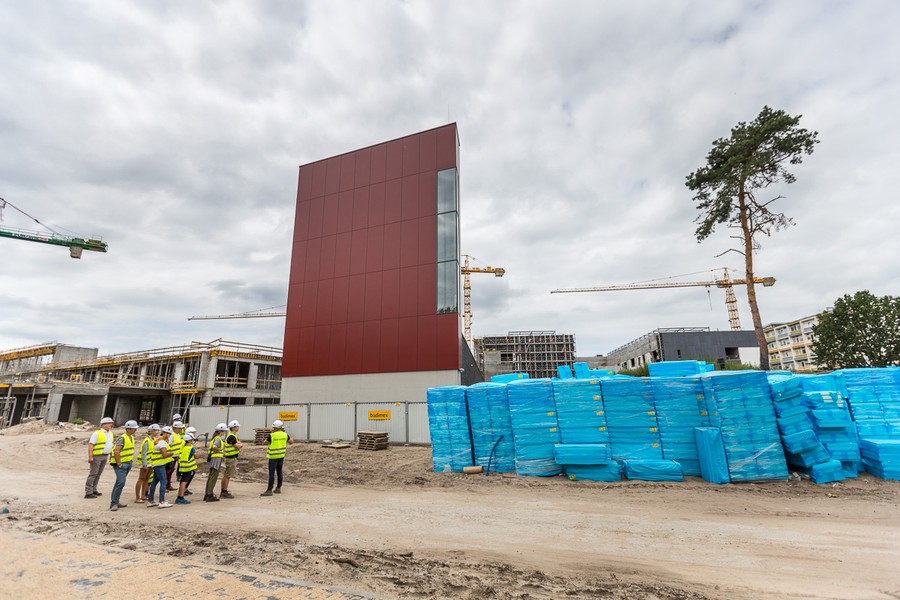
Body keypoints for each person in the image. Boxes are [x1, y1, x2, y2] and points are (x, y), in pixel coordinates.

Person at [108, 420, 138, 511]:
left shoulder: (131, 438)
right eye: (134, 429)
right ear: (128, 429)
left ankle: (115, 501)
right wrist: (119, 463)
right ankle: (114, 503)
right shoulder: (122, 438)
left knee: (119, 483)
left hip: (127, 463)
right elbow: (117, 451)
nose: (135, 430)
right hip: (121, 464)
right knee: (121, 482)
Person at [261, 420, 294, 497]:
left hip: (273, 457)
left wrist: (264, 441)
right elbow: (290, 442)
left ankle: (269, 490)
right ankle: (278, 488)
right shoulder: (285, 435)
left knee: (271, 473)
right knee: (279, 472)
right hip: (281, 456)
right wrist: (292, 440)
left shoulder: (272, 435)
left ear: (275, 428)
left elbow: (266, 443)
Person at [85, 417, 115, 498]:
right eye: (109, 423)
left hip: (105, 455)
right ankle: (88, 492)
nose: (110, 425)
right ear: (103, 425)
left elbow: (111, 444)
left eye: (111, 423)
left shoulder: (110, 433)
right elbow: (91, 445)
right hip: (97, 456)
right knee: (93, 474)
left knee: (98, 474)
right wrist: (90, 457)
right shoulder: (97, 433)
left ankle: (94, 489)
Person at [147, 426, 174, 509]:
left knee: (154, 481)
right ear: (165, 434)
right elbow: (164, 454)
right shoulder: (162, 443)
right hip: (159, 464)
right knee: (164, 481)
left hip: (157, 464)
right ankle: (162, 501)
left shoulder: (159, 441)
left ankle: (151, 500)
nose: (169, 436)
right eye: (168, 434)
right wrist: (171, 453)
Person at [135, 423, 160, 503]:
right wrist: (144, 464)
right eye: (156, 430)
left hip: (150, 462)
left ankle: (143, 495)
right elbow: (144, 453)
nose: (157, 432)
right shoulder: (147, 440)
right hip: (145, 463)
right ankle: (137, 497)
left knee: (146, 479)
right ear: (151, 431)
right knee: (141, 479)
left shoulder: (153, 440)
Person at [204, 423, 228, 502]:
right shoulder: (218, 439)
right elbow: (214, 447)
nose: (225, 433)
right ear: (222, 431)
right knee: (213, 477)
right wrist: (219, 450)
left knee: (210, 477)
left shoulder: (214, 438)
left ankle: (207, 494)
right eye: (224, 431)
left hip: (213, 459)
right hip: (216, 459)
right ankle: (210, 494)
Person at [220, 419, 243, 499]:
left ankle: (223, 491)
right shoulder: (231, 436)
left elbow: (238, 444)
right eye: (237, 426)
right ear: (234, 427)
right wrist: (240, 445)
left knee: (226, 475)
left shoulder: (233, 436)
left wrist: (239, 444)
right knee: (227, 475)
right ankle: (224, 492)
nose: (238, 427)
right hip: (231, 458)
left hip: (230, 457)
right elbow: (238, 446)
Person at [176, 433, 197, 505]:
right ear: (190, 441)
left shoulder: (183, 448)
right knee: (184, 482)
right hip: (188, 468)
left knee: (182, 481)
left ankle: (179, 496)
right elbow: (196, 456)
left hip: (183, 467)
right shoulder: (191, 449)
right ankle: (180, 497)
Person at [166, 421, 185, 491]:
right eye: (180, 428)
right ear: (176, 428)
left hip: (175, 456)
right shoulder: (172, 436)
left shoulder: (178, 435)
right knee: (168, 471)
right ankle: (166, 485)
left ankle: (168, 485)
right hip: (171, 457)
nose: (181, 429)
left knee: (171, 471)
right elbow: (168, 446)